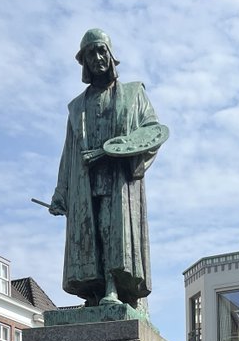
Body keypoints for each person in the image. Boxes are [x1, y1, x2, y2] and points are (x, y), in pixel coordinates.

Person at [49, 28, 164, 310]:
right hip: (85, 183)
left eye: (102, 51)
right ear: (84, 62)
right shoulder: (77, 107)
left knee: (114, 231)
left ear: (111, 55)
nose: (98, 58)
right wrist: (60, 192)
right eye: (91, 54)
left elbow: (152, 132)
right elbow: (69, 153)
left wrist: (115, 150)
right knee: (92, 235)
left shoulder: (134, 93)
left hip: (118, 180)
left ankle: (114, 287)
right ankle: (95, 291)